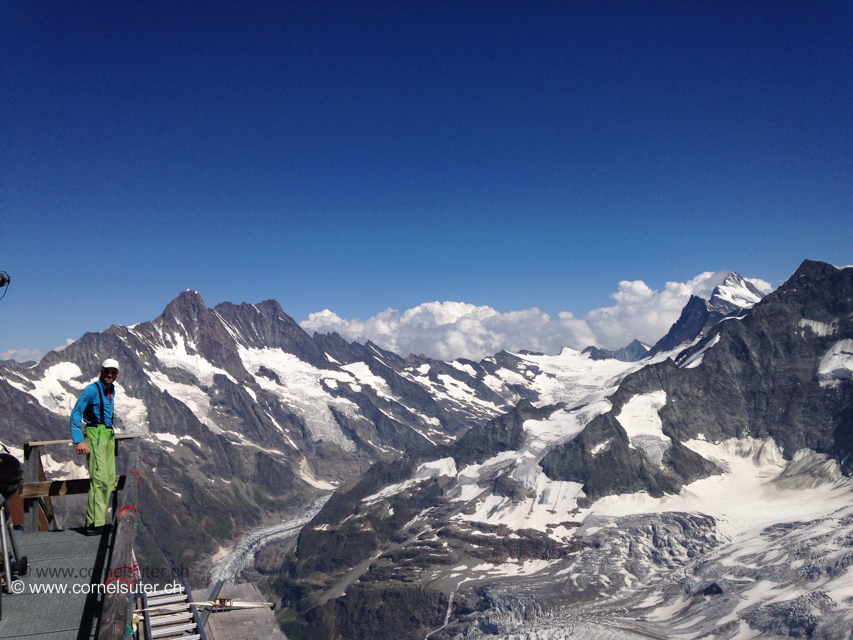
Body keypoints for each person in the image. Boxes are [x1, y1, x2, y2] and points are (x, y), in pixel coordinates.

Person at [70, 358, 119, 536]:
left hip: (108, 435)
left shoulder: (111, 390)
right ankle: (93, 524)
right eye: (107, 371)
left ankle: (98, 520)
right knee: (99, 480)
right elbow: (76, 413)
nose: (110, 375)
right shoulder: (91, 390)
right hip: (94, 435)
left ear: (117, 374)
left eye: (113, 372)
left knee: (109, 479)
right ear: (101, 371)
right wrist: (79, 440)